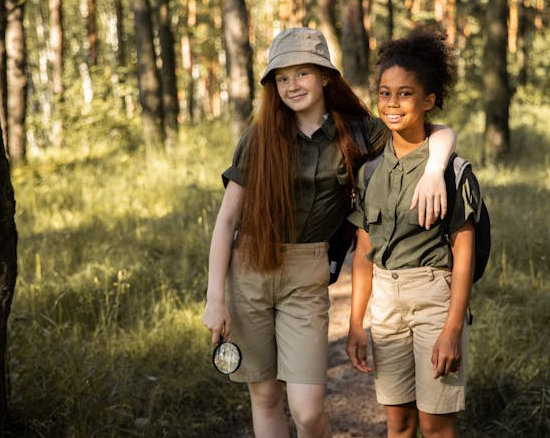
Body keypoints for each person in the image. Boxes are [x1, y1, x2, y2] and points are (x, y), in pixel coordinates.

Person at [201, 27, 457, 438]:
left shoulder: (357, 131)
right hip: (249, 268)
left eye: (302, 73)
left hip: (307, 274)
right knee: (265, 397)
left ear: (324, 76)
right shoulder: (259, 138)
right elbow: (226, 221)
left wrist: (433, 169)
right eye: (281, 77)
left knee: (306, 411)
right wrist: (216, 299)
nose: (292, 85)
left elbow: (438, 132)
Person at [346, 27, 482, 438]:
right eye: (385, 93)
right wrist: (356, 322)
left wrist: (452, 329)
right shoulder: (370, 171)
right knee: (398, 423)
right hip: (386, 305)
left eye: (405, 94)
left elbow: (463, 255)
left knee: (436, 425)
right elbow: (364, 252)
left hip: (433, 302)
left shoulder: (452, 172)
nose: (392, 103)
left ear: (429, 101)